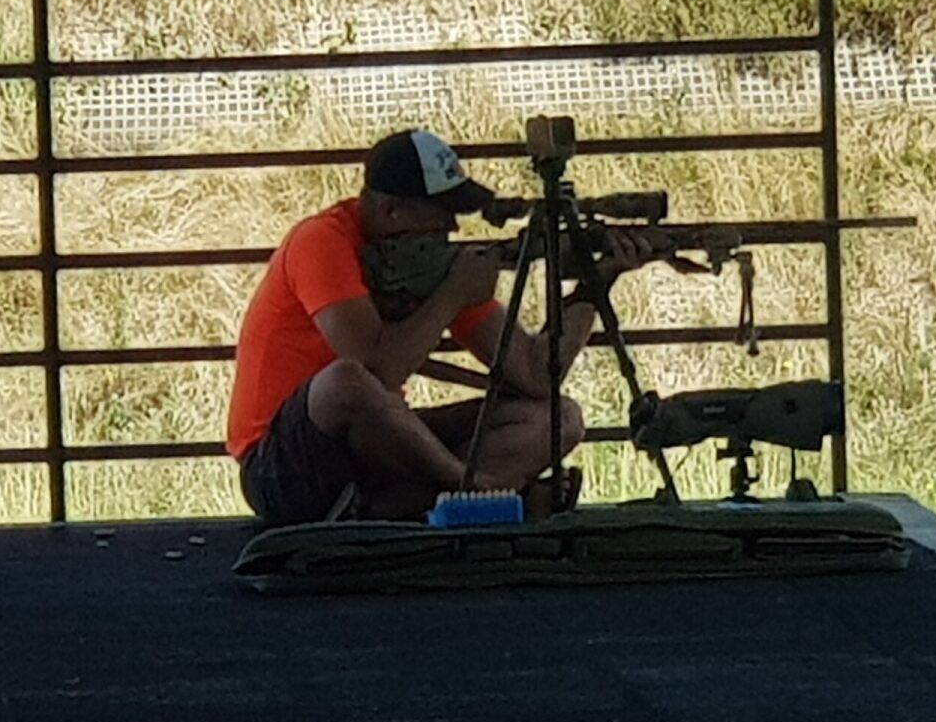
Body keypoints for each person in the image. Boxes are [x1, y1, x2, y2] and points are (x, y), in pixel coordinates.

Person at [224, 128, 650, 527]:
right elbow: (377, 371)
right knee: (344, 381)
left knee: (558, 419)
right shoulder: (321, 241)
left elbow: (536, 372)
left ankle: (394, 510)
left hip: (372, 456)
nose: (452, 227)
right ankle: (473, 491)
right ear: (390, 210)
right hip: (282, 467)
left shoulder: (425, 263)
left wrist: (594, 285)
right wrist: (451, 296)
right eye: (441, 213)